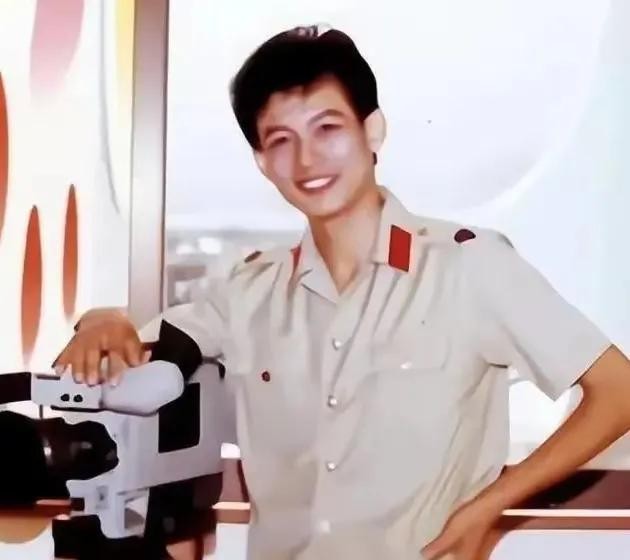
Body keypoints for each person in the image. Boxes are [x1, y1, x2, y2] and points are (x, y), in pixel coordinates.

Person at [54, 25, 630, 560]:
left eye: (327, 129)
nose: (306, 160)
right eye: (281, 140)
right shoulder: (248, 293)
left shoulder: (469, 267)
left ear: (372, 130)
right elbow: (152, 345)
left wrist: (490, 505)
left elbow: (618, 391)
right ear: (262, 161)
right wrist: (102, 317)